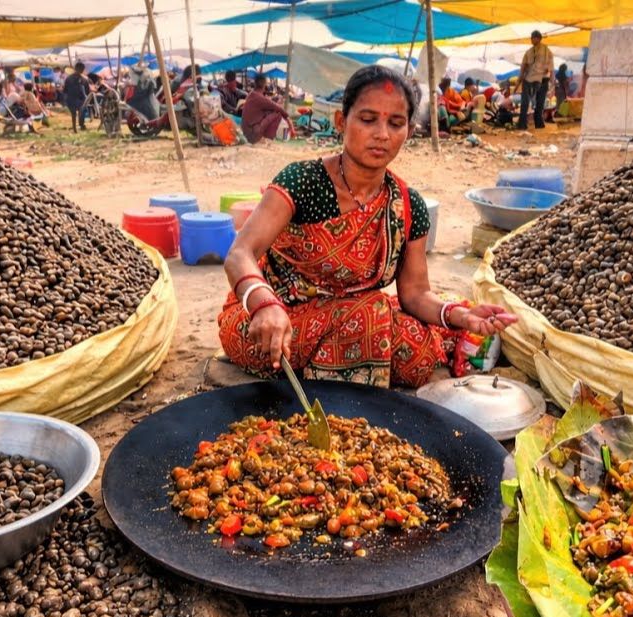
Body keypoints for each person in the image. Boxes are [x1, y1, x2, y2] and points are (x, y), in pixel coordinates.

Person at [219, 65, 517, 388]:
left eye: (396, 123)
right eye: (367, 119)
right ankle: (337, 401)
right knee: (368, 315)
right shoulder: (302, 181)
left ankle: (332, 361)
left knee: (417, 350)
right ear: (340, 121)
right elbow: (239, 254)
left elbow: (415, 295)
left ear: (408, 131)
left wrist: (459, 315)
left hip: (354, 316)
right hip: (274, 323)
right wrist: (264, 303)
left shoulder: (406, 204)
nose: (382, 134)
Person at [241, 73, 292, 143]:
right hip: (251, 134)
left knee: (270, 112)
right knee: (277, 113)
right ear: (264, 85)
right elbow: (279, 108)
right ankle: (268, 139)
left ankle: (265, 137)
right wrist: (289, 122)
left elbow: (270, 105)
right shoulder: (258, 97)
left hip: (246, 132)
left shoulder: (252, 94)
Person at [517, 29, 552, 129]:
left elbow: (550, 68)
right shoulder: (530, 52)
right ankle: (527, 124)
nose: (533, 40)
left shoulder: (545, 51)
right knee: (530, 102)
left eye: (535, 38)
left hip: (541, 79)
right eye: (533, 38)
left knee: (537, 102)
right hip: (533, 79)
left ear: (539, 39)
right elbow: (523, 66)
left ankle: (533, 123)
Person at [63, 62, 89, 132]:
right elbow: (87, 91)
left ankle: (75, 127)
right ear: (83, 70)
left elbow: (65, 90)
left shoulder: (68, 78)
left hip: (71, 99)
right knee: (82, 112)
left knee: (73, 114)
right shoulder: (85, 80)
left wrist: (65, 101)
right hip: (80, 100)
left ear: (75, 69)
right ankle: (81, 125)